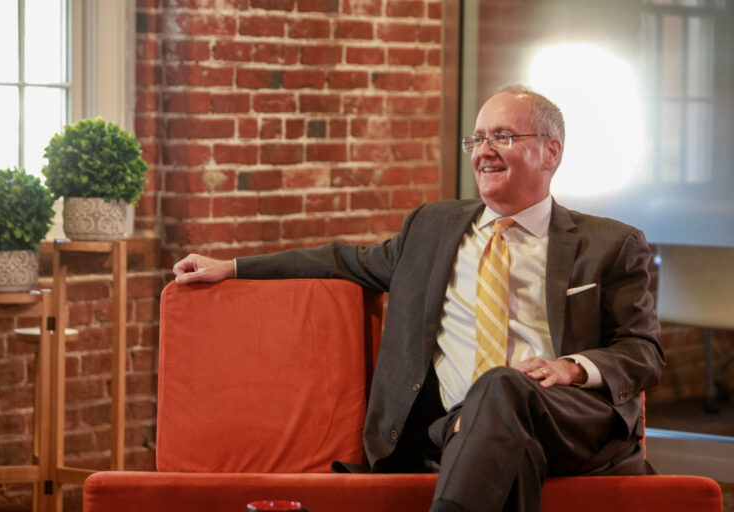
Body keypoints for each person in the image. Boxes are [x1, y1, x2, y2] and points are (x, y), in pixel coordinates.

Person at [173, 85, 664, 512]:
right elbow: (342, 260)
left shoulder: (610, 244)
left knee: (502, 387)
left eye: (504, 137)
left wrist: (573, 367)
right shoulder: (432, 229)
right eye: (477, 138)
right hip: (452, 428)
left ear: (551, 151)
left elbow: (643, 351)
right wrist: (233, 267)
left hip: (566, 418)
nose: (484, 151)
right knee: (502, 428)